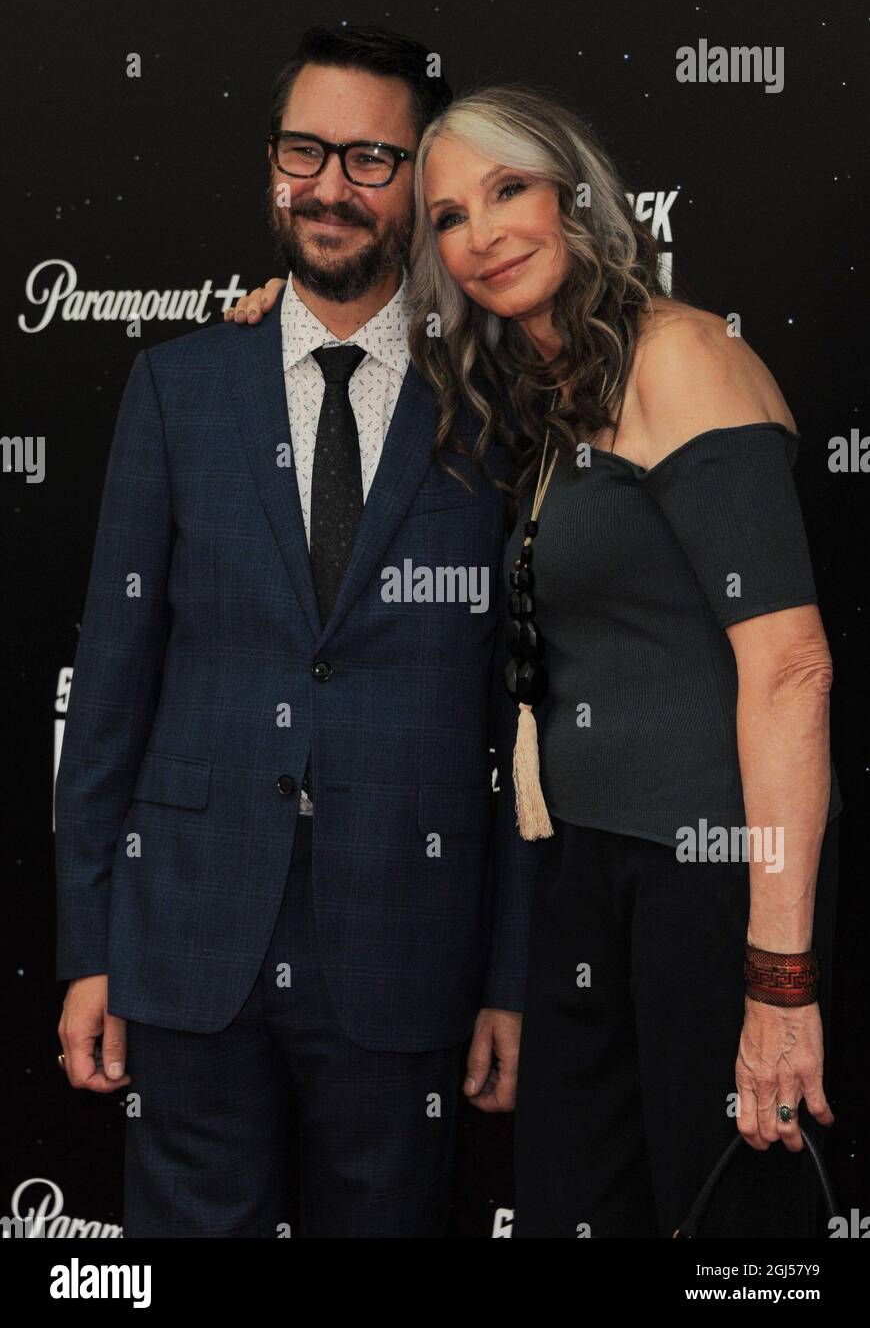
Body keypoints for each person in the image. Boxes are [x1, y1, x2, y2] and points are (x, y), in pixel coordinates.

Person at [234, 82, 843, 1237]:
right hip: (587, 873)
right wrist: (288, 315)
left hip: (713, 882)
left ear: (576, 194)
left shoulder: (683, 356)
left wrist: (780, 978)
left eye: (508, 190)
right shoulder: (546, 393)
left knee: (740, 1239)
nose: (485, 233)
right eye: (450, 215)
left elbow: (793, 668)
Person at [54, 27, 545, 1240]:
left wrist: (512, 975)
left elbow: (526, 723)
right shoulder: (176, 389)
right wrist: (87, 944)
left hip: (408, 948)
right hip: (186, 942)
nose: (330, 184)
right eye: (304, 150)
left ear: (422, 182)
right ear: (272, 164)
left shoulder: (494, 410)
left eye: (371, 158)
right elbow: (110, 688)